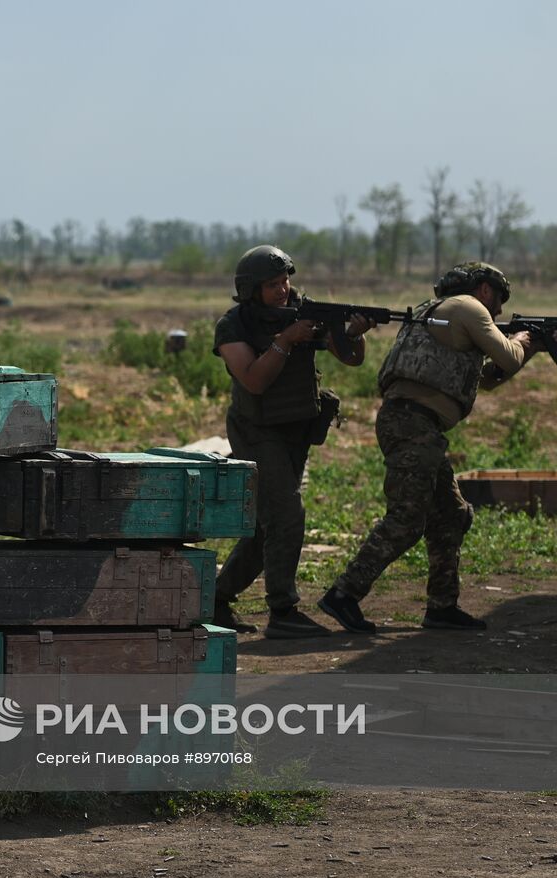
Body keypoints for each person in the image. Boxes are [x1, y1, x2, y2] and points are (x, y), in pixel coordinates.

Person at [318, 262, 538, 634]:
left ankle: (442, 606)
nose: (498, 311)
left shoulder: (437, 312)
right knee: (406, 518)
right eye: (498, 300)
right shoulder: (469, 307)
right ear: (484, 290)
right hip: (413, 423)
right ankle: (344, 594)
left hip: (416, 424)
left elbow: (486, 379)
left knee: (451, 515)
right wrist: (528, 340)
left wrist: (526, 346)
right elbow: (508, 357)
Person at [211, 245, 375, 639]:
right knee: (286, 516)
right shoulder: (234, 325)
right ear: (251, 289)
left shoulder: (302, 310)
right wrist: (286, 340)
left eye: (286, 281)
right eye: (272, 284)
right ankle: (283, 611)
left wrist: (351, 332)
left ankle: (216, 599)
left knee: (269, 526)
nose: (284, 289)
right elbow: (253, 379)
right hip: (257, 431)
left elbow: (350, 358)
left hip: (296, 429)